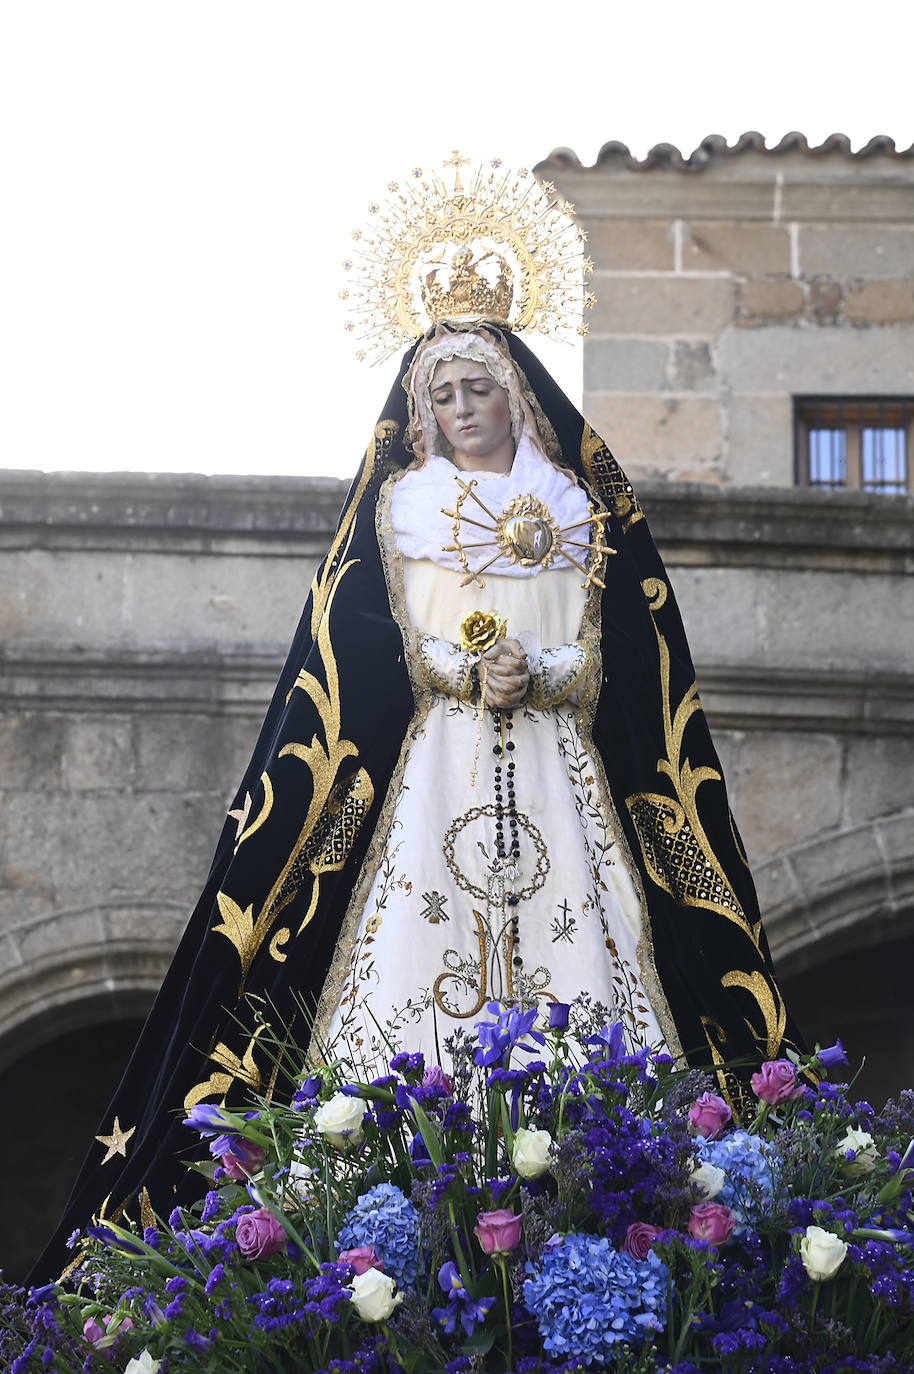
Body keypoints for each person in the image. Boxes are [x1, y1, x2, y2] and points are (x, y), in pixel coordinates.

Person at [31, 184, 802, 1284]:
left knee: (575, 956)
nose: (458, 406)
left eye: (476, 386)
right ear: (421, 410)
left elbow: (605, 670)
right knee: (412, 961)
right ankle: (386, 1193)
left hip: (554, 771)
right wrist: (462, 667)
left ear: (514, 396)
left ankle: (601, 1178)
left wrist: (532, 672)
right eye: (439, 393)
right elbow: (378, 654)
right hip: (435, 765)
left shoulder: (574, 513)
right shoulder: (396, 512)